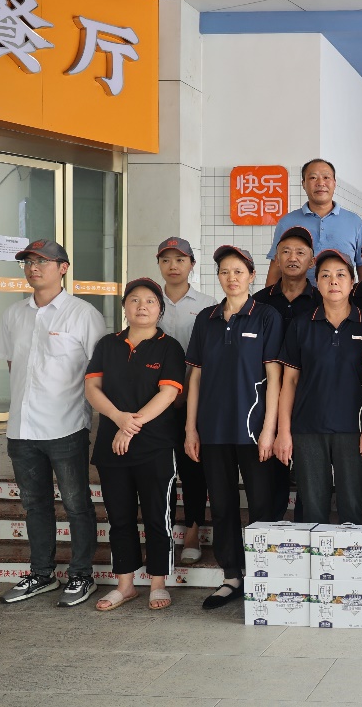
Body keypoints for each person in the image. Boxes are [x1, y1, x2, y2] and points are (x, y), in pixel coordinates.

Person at [0, 240, 105, 607]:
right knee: (34, 505)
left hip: (66, 426)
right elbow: (13, 365)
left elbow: (97, 373)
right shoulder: (14, 314)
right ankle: (42, 574)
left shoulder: (83, 314)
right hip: (21, 429)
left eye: (42, 261)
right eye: (28, 261)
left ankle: (82, 575)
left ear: (63, 268)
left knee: (76, 504)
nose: (33, 268)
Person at [184, 245, 283, 609]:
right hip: (213, 430)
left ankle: (263, 575)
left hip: (254, 430)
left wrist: (269, 429)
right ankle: (231, 577)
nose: (231, 278)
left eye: (238, 271)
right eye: (225, 271)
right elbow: (195, 377)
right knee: (223, 505)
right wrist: (191, 428)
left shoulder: (266, 316)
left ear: (252, 275)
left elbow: (275, 377)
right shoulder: (206, 319)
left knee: (261, 504)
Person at [84, 278, 185, 611]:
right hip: (112, 447)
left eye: (150, 301)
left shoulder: (169, 347)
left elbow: (168, 394)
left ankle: (158, 584)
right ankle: (125, 585)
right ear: (124, 307)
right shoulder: (107, 345)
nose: (142, 306)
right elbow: (92, 388)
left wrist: (130, 427)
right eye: (135, 300)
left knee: (158, 516)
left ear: (160, 309)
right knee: (120, 518)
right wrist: (118, 418)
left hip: (155, 446)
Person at [274, 249, 362, 525]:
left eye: (341, 275)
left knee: (352, 509)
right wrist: (284, 431)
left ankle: (352, 555)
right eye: (326, 275)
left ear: (352, 283)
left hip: (354, 430)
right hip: (308, 429)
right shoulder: (301, 324)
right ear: (316, 283)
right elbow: (289, 381)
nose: (333, 281)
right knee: (312, 511)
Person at [156, 237, 216, 566]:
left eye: (180, 260)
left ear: (192, 264)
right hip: (155, 403)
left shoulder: (208, 304)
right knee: (160, 470)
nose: (173, 266)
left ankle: (193, 530)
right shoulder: (149, 300)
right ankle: (162, 533)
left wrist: (185, 392)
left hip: (195, 399)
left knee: (193, 468)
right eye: (166, 260)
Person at [254, 225, 320, 522]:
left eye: (300, 253)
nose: (293, 258)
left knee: (308, 472)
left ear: (312, 260)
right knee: (271, 473)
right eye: (286, 252)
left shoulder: (321, 301)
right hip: (265, 396)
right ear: (277, 259)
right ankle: (272, 530)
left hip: (307, 395)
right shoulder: (260, 302)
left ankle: (306, 529)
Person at [265, 158, 362, 286]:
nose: (320, 183)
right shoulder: (287, 222)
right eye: (313, 178)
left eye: (326, 177)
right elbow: (275, 269)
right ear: (303, 184)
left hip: (341, 296)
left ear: (334, 183)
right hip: (297, 296)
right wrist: (268, 298)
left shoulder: (354, 222)